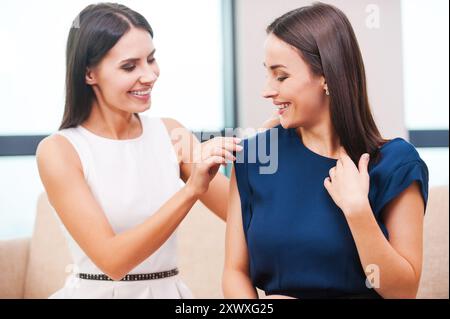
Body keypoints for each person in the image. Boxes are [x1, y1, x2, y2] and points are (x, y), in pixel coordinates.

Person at [36, 2, 268, 299]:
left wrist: (283, 138)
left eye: (151, 59)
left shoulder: (171, 132)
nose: (149, 75)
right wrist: (190, 191)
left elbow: (244, 216)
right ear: (89, 73)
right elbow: (113, 261)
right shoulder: (60, 150)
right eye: (130, 66)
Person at [223, 3, 429, 299]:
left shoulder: (396, 164)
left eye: (281, 76)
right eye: (267, 74)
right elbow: (235, 272)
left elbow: (403, 292)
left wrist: (358, 212)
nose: (267, 90)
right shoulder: (255, 157)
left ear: (327, 76)